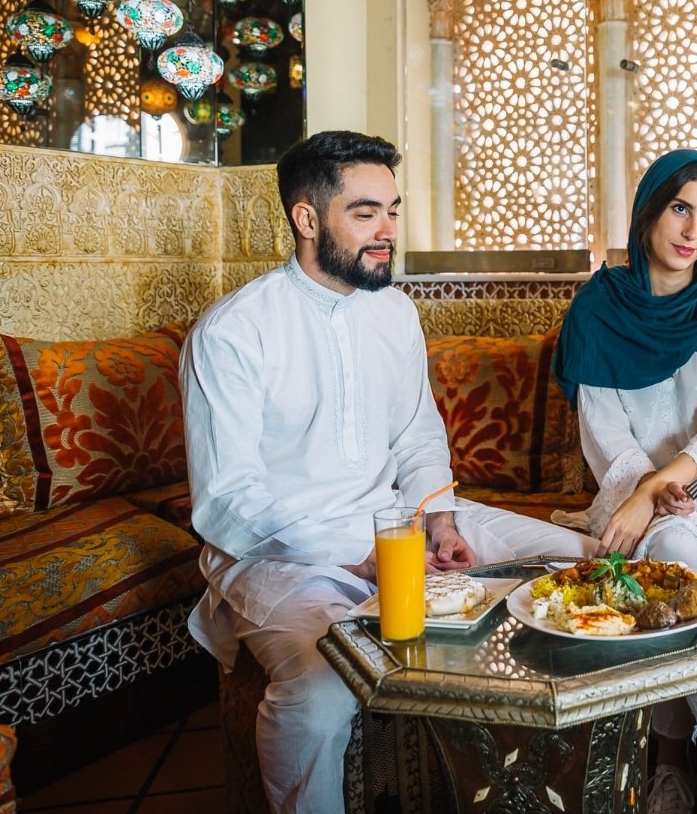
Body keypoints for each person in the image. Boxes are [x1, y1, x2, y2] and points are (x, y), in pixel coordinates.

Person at [181, 130, 596, 814]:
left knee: (577, 560)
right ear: (307, 219)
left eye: (393, 211)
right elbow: (232, 503)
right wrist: (369, 555)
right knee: (319, 691)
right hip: (281, 559)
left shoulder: (394, 309)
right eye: (366, 212)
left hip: (398, 525)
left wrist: (438, 517)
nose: (388, 232)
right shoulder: (232, 332)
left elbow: (416, 431)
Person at [552, 149, 697, 814]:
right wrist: (646, 494)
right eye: (680, 207)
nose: (692, 230)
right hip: (628, 493)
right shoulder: (597, 311)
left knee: (673, 548)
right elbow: (606, 438)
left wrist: (658, 490)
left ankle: (671, 768)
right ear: (649, 209)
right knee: (670, 551)